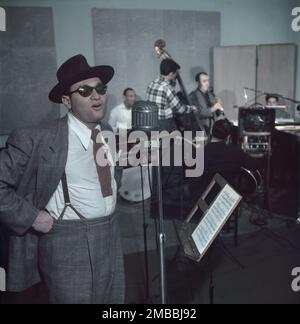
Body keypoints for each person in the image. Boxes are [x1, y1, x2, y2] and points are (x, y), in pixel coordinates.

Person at [0, 54, 124, 304]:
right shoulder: (37, 138)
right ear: (67, 101)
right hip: (68, 243)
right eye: (84, 91)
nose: (96, 96)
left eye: (100, 88)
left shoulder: (107, 132)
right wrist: (32, 217)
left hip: (111, 235)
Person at [146, 58, 197, 132]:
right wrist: (192, 108)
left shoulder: (152, 83)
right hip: (164, 124)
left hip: (151, 122)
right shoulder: (167, 88)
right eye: (176, 73)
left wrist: (173, 79)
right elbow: (180, 109)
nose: (177, 75)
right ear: (171, 74)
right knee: (180, 138)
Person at [189, 72, 224, 139]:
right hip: (199, 130)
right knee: (201, 149)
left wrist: (219, 108)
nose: (207, 83)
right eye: (204, 81)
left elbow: (216, 114)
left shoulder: (211, 94)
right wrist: (213, 108)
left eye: (208, 80)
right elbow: (198, 114)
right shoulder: (193, 96)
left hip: (211, 130)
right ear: (198, 82)